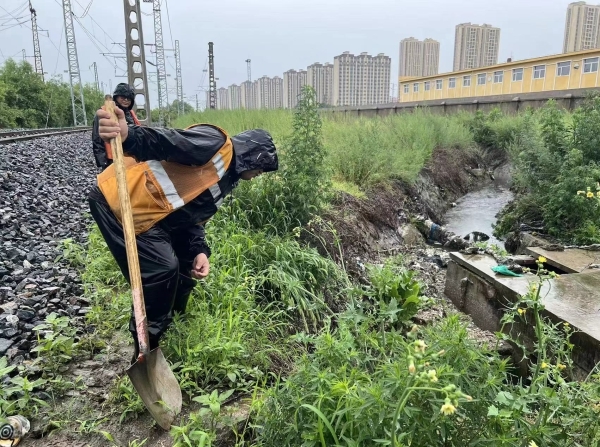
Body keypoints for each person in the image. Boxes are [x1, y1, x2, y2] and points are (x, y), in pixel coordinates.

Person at [88, 106, 278, 363]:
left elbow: (190, 218)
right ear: (254, 155)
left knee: (183, 269)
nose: (257, 176)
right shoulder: (216, 145)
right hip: (120, 201)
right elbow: (170, 141)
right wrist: (128, 135)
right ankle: (146, 346)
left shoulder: (226, 179)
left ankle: (173, 324)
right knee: (161, 269)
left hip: (152, 215)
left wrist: (198, 250)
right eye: (260, 169)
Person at [92, 83, 141, 171]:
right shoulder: (104, 112)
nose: (126, 100)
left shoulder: (131, 114)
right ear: (116, 97)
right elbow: (97, 139)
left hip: (131, 157)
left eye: (129, 98)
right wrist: (103, 163)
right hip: (112, 158)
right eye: (123, 98)